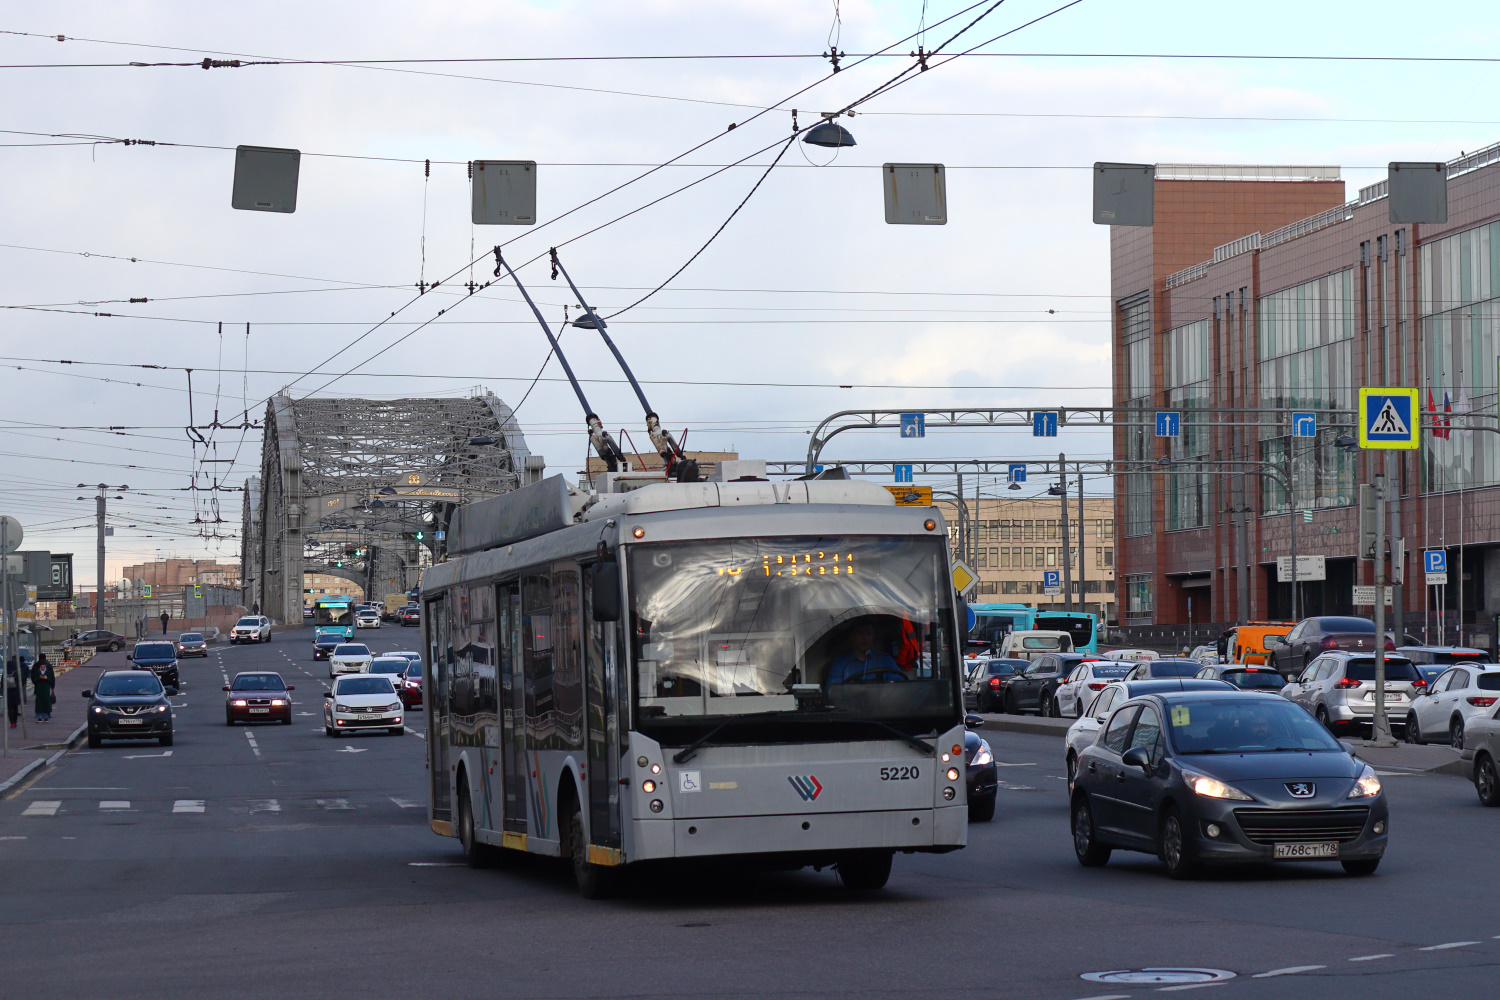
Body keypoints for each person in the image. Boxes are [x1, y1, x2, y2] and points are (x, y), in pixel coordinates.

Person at [825, 621, 905, 685]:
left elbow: (897, 685)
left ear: (873, 636)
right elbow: (834, 692)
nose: (865, 638)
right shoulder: (840, 663)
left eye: (869, 634)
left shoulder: (885, 660)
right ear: (852, 636)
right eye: (860, 633)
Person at [31, 654, 55, 723]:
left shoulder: (35, 665)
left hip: (38, 687)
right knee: (46, 702)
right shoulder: (49, 665)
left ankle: (40, 717)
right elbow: (52, 678)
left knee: (39, 702)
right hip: (46, 688)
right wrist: (52, 686)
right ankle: (45, 716)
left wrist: (37, 681)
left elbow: (33, 677)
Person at [4, 656, 19, 728]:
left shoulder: (4, 674)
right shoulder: (15, 673)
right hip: (15, 693)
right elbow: (19, 683)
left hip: (8, 693)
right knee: (15, 708)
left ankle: (12, 722)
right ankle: (15, 722)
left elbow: (2, 684)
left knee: (9, 708)